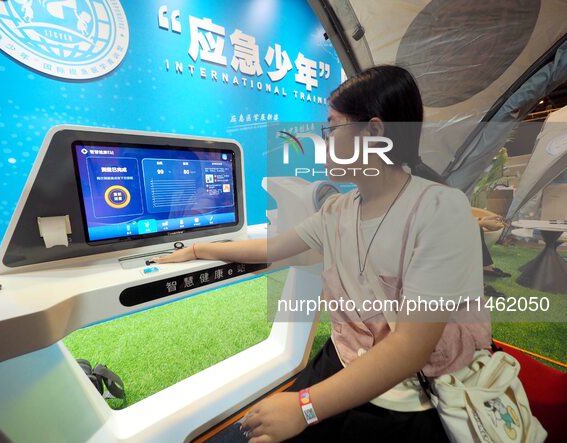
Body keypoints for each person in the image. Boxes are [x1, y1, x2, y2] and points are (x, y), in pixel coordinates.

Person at [155, 65, 491, 442]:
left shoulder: (441, 208)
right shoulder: (339, 210)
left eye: (331, 128)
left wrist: (304, 407)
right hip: (342, 363)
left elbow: (411, 348)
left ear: (374, 132)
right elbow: (273, 247)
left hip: (411, 397)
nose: (323, 139)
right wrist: (199, 247)